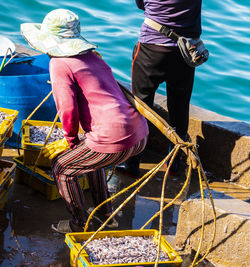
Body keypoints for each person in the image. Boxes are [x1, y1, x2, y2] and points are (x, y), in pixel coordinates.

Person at [21, 9, 149, 233]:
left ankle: (79, 224)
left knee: (62, 168)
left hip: (114, 139)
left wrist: (70, 140)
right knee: (88, 158)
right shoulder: (93, 57)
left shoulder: (59, 64)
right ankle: (105, 215)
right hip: (139, 135)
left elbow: (67, 109)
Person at [117, 0, 202, 177]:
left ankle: (132, 163)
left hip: (151, 49)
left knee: (141, 106)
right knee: (179, 107)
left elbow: (141, 5)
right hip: (185, 52)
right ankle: (174, 163)